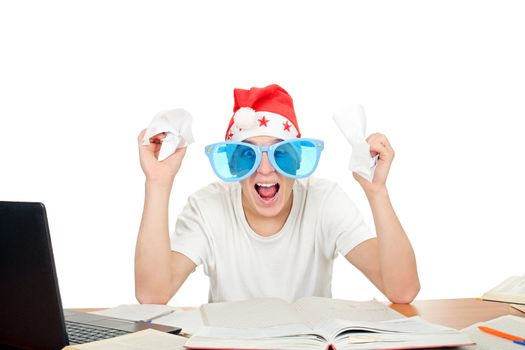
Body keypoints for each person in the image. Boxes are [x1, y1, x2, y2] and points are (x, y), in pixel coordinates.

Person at [135, 84, 420, 304]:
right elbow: (152, 295)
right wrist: (158, 184)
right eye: (248, 155)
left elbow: (403, 289)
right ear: (234, 165)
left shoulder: (324, 201)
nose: (265, 169)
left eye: (280, 153)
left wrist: (377, 191)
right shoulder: (207, 207)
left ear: (296, 161)